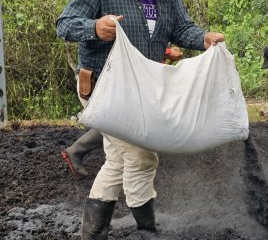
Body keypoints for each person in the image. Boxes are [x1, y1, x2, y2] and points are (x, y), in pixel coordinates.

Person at [56, 0, 224, 240]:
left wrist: (203, 38)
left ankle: (92, 238)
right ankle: (147, 235)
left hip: (143, 86)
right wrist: (94, 27)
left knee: (118, 160)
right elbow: (65, 24)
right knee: (141, 154)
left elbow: (181, 28)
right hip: (106, 87)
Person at [61, 46, 184, 178]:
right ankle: (78, 151)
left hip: (121, 77)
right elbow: (129, 42)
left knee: (121, 122)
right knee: (120, 122)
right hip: (103, 78)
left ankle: (79, 152)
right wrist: (165, 52)